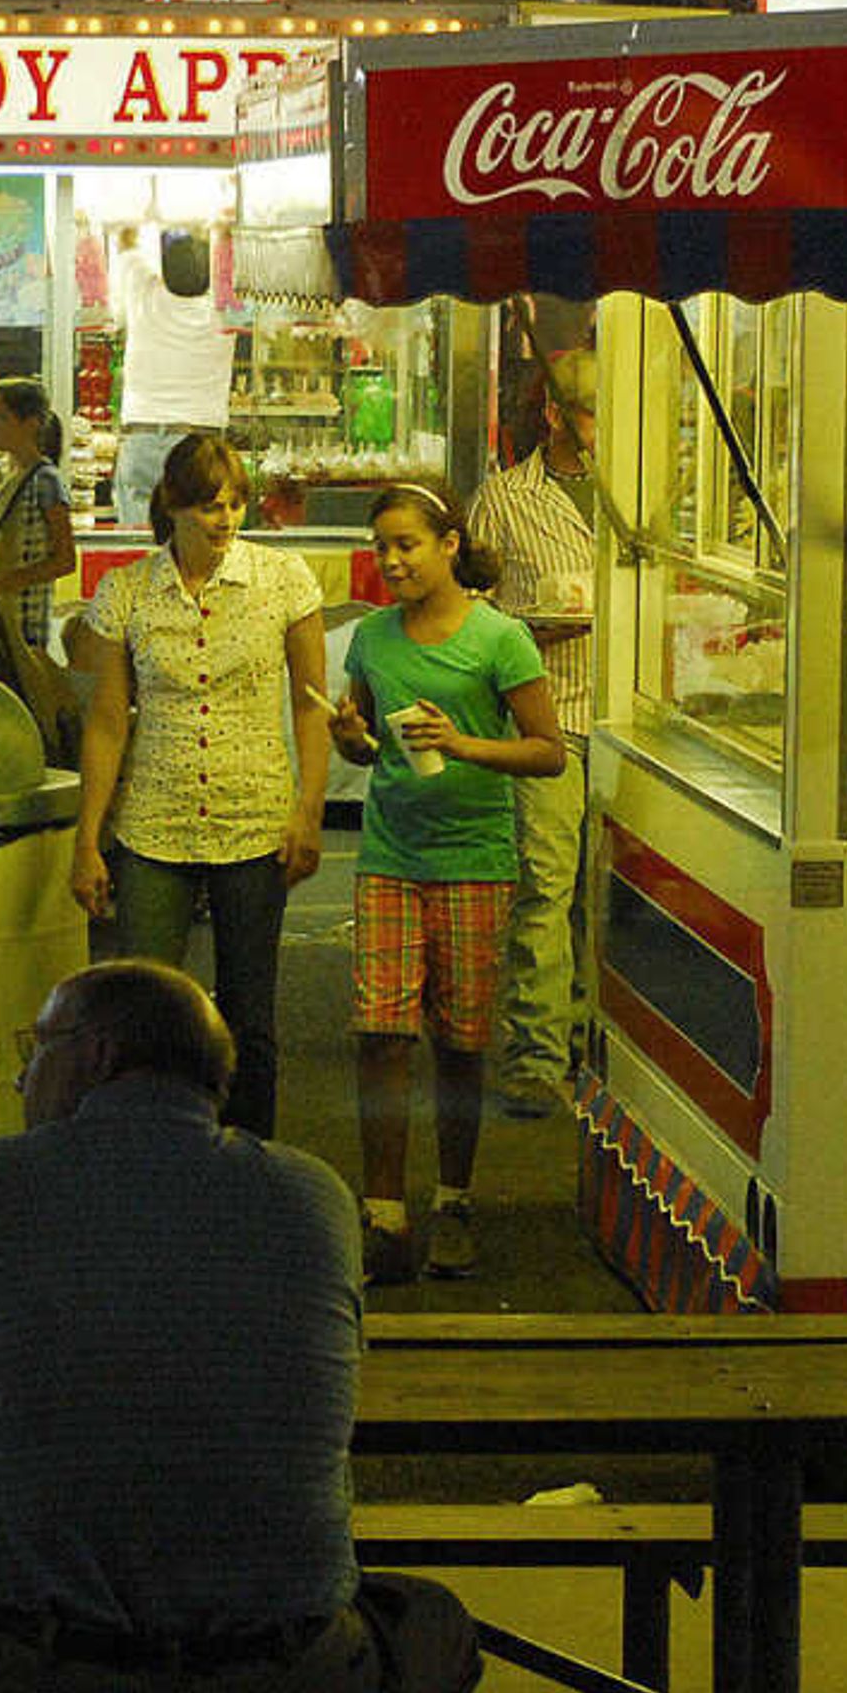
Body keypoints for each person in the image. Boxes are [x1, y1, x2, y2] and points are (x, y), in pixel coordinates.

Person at [0, 960, 479, 1693]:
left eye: (38, 1047)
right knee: (435, 1621)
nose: (21, 1073)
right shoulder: (314, 1194)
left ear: (100, 1054)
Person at [327, 484, 565, 1282]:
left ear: (450, 544)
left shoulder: (502, 640)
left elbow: (547, 751)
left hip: (474, 861)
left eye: (407, 545)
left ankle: (454, 1200)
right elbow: (366, 752)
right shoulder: (371, 639)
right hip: (389, 857)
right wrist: (351, 737)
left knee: (461, 1044)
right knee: (380, 1035)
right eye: (382, 547)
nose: (392, 561)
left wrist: (462, 744)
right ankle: (383, 1213)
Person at [67, 431, 328, 1139]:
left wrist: (309, 810)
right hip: (154, 819)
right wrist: (88, 839)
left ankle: (249, 1158)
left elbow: (312, 705)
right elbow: (106, 724)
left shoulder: (285, 582)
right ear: (173, 507)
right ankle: (149, 1148)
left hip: (255, 818)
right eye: (211, 505)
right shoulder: (127, 591)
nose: (227, 519)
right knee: (144, 1006)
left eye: (237, 504)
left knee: (250, 1014)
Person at [465, 347, 604, 1120]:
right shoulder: (502, 501)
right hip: (550, 715)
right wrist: (527, 635)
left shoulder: (651, 490)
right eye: (587, 412)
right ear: (552, 413)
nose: (600, 428)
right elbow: (473, 616)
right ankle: (536, 1055)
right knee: (546, 888)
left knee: (608, 895)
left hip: (636, 715)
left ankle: (596, 1041)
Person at [107, 223, 233, 530]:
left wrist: (154, 205)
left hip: (143, 435)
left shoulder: (143, 288)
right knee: (198, 544)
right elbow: (233, 242)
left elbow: (125, 236)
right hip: (201, 442)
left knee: (138, 549)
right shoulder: (225, 306)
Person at [0, 377, 81, 655]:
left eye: (1, 418)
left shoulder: (46, 481)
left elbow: (65, 560)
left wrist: (3, 583)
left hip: (23, 628)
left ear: (30, 424)